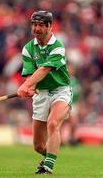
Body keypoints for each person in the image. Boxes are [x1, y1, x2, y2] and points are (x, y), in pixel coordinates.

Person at [17, 11, 73, 174]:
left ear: (50, 26)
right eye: (34, 25)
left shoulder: (58, 47)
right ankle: (51, 154)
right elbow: (29, 73)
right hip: (41, 93)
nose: (36, 28)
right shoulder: (28, 48)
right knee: (38, 146)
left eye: (41, 25)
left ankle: (47, 167)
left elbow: (44, 69)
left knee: (53, 123)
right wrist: (30, 87)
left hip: (60, 90)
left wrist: (25, 85)